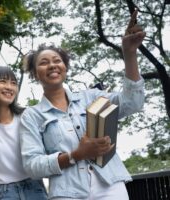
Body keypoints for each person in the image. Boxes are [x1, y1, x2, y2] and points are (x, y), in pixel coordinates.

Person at [19, 10, 146, 200]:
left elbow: (132, 103)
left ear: (65, 68)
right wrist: (76, 155)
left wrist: (129, 53)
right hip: (67, 193)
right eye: (44, 63)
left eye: (57, 61)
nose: (52, 65)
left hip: (111, 185)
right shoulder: (32, 116)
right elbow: (32, 165)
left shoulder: (92, 97)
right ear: (35, 74)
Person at [0, 66, 48, 200]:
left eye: (13, 83)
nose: (9, 87)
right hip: (2, 191)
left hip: (34, 187)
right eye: (2, 81)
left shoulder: (27, 116)